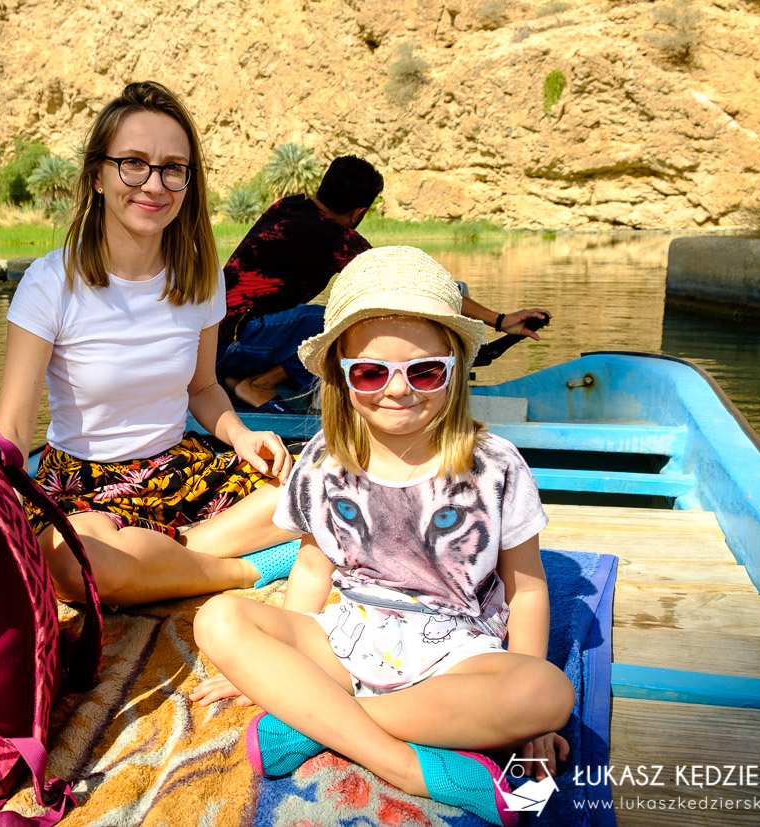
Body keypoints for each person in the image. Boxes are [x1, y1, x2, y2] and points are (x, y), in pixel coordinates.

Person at [190, 246, 574, 826]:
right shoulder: (322, 459)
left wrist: (532, 726)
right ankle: (405, 764)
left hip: (456, 654)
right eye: (370, 373)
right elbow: (312, 567)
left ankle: (313, 722)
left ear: (454, 370)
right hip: (349, 640)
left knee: (547, 694)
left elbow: (528, 589)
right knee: (219, 619)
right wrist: (288, 659)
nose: (398, 390)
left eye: (424, 371)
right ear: (341, 377)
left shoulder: (494, 464)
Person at [0, 81, 298, 606]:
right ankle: (242, 569)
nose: (154, 185)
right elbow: (15, 430)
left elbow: (202, 388)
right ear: (97, 175)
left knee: (324, 481)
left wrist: (242, 436)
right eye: (133, 163)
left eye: (172, 168)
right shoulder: (50, 283)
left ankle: (162, 559)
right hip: (85, 487)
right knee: (77, 566)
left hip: (178, 469)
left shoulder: (201, 277)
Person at [216, 157, 551, 411]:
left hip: (215, 339)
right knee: (330, 325)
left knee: (316, 318)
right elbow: (413, 285)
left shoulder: (288, 207)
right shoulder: (334, 237)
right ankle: (258, 383)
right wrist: (500, 320)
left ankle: (238, 378)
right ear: (359, 211)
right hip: (236, 341)